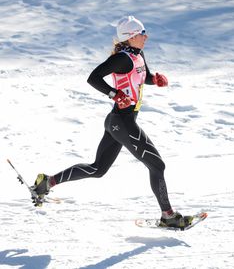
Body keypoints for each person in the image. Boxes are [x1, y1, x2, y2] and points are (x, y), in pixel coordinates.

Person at [33, 16, 192, 228]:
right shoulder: (122, 58)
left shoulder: (137, 55)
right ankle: (168, 216)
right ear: (131, 37)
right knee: (157, 166)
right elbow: (93, 77)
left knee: (98, 169)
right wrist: (114, 94)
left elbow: (140, 76)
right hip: (123, 122)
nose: (146, 37)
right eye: (142, 34)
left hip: (117, 121)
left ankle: (47, 182)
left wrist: (154, 79)